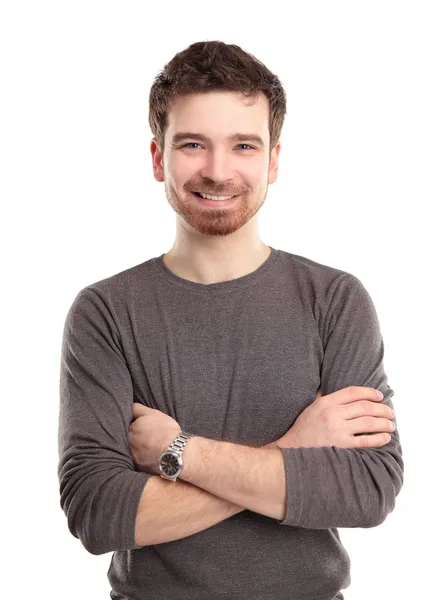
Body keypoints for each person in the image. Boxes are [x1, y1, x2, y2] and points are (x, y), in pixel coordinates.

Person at [57, 40, 404, 600]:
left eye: (243, 145)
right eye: (193, 144)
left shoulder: (335, 300)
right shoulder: (105, 312)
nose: (218, 171)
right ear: (157, 158)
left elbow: (366, 490)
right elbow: (98, 513)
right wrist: (295, 449)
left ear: (272, 160)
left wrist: (179, 453)